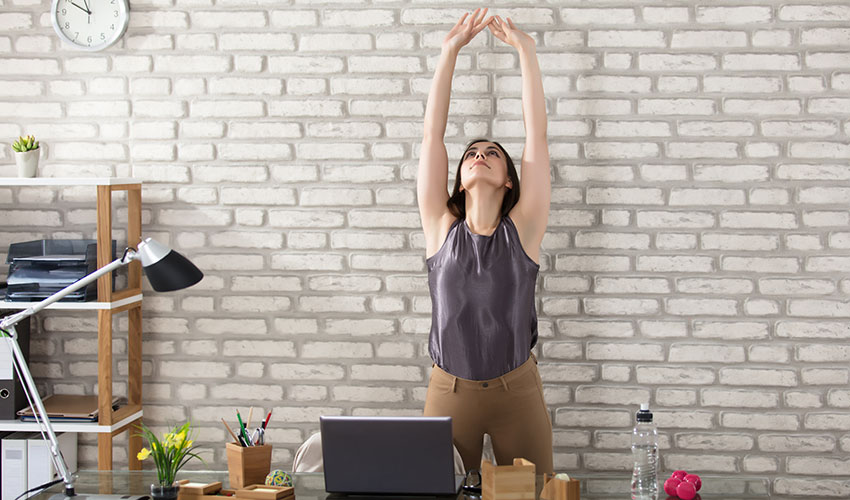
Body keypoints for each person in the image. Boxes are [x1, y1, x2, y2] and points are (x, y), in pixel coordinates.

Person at [418, 8, 553, 474]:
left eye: (492, 153)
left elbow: (536, 137)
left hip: (517, 392)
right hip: (447, 391)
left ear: (510, 182)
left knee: (536, 493)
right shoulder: (440, 227)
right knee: (433, 491)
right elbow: (431, 136)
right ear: (457, 180)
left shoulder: (525, 230)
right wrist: (448, 52)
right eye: (472, 153)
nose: (479, 156)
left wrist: (527, 52)